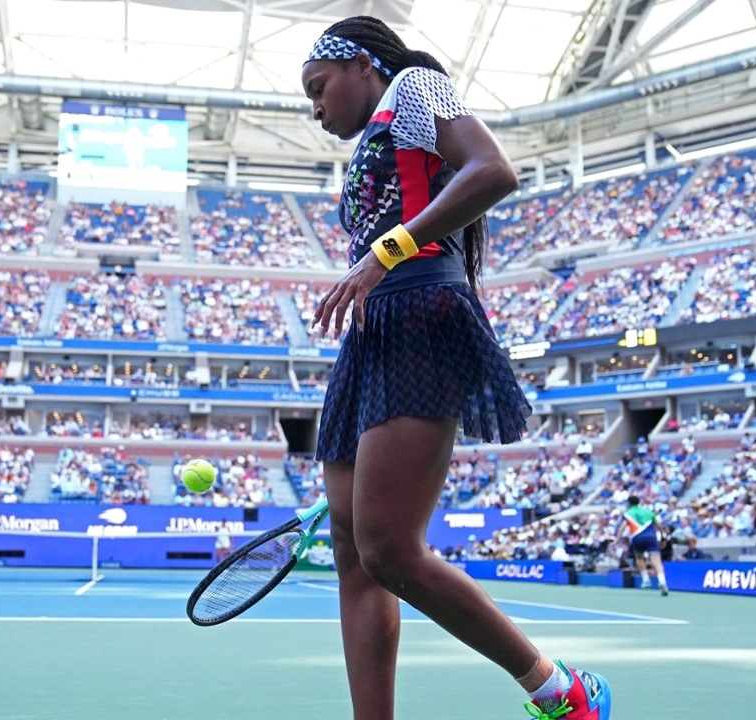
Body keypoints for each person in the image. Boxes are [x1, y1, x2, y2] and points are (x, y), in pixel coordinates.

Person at [301, 17, 609, 720]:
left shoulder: (412, 86)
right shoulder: (373, 142)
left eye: (318, 89)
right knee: (355, 553)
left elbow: (495, 170)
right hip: (372, 335)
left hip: (421, 313)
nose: (314, 109)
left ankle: (559, 691)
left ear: (359, 65)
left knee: (388, 548)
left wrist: (385, 253)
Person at [618, 495, 669, 595]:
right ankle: (662, 581)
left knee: (639, 558)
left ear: (629, 504)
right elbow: (659, 525)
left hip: (637, 538)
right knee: (656, 561)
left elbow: (622, 527)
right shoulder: (648, 512)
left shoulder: (628, 513)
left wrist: (616, 539)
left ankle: (645, 579)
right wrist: (663, 537)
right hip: (651, 537)